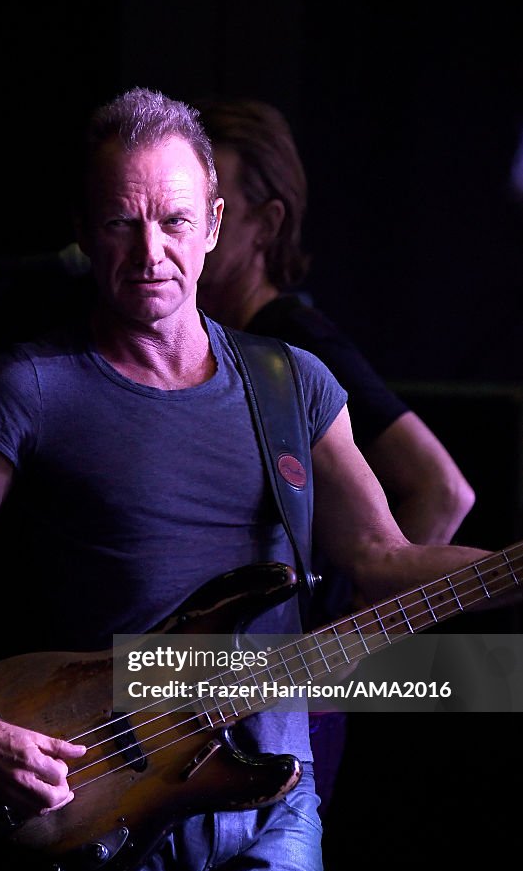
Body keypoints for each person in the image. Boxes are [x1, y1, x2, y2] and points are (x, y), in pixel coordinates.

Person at [0, 87, 521, 871]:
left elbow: (379, 556)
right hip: (104, 791)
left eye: (175, 220)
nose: (151, 255)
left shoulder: (291, 381)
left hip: (270, 801)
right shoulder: (27, 389)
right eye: (120, 223)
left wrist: (510, 574)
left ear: (215, 222)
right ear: (82, 230)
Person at [194, 96, 477, 814]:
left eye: (213, 203)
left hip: (287, 700)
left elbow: (442, 490)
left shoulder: (296, 343)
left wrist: (348, 640)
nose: (191, 225)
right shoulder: (207, 345)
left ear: (266, 223)